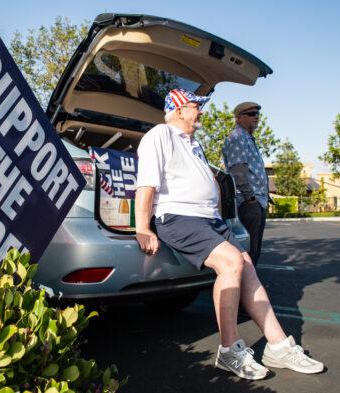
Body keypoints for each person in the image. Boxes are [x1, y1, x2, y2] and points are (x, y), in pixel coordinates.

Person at [135, 89, 323, 380]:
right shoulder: (160, 134)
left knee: (246, 266)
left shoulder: (192, 143)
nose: (201, 111)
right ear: (180, 109)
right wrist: (143, 228)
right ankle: (229, 351)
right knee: (231, 263)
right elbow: (146, 183)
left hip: (209, 219)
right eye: (197, 106)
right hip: (178, 218)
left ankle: (278, 345)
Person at [222, 102, 269, 266]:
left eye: (257, 114)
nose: (256, 117)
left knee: (255, 249)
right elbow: (239, 172)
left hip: (257, 201)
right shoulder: (237, 138)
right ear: (239, 118)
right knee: (249, 251)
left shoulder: (247, 138)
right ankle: (245, 288)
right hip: (248, 202)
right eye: (251, 114)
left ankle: (248, 286)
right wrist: (250, 199)